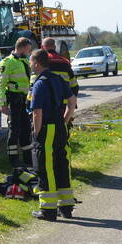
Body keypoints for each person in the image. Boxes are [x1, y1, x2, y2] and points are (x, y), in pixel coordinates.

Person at [27, 48, 75, 221]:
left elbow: (36, 113)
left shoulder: (40, 83)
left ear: (37, 63)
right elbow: (72, 102)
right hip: (61, 128)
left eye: (31, 61)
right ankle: (66, 207)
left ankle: (48, 210)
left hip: (47, 129)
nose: (30, 64)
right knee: (62, 165)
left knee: (45, 168)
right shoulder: (58, 79)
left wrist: (36, 133)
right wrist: (64, 120)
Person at [0, 37, 33, 168]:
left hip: (26, 100)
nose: (30, 51)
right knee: (14, 130)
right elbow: (1, 85)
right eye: (29, 49)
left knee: (26, 130)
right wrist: (3, 104)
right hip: (15, 100)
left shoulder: (25, 60)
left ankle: (28, 159)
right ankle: (13, 159)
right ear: (22, 47)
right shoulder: (7, 62)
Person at [39, 37, 78, 118]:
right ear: (55, 47)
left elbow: (33, 85)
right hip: (62, 103)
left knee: (46, 127)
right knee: (61, 126)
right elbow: (74, 86)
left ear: (42, 47)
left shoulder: (40, 62)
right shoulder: (65, 62)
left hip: (44, 103)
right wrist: (72, 103)